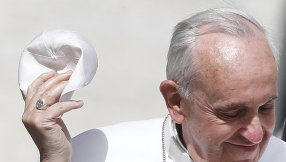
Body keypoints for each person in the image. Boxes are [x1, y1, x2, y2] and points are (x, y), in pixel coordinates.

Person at [21, 7, 286, 162]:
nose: (255, 135)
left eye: (266, 108)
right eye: (232, 113)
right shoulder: (98, 155)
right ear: (176, 101)